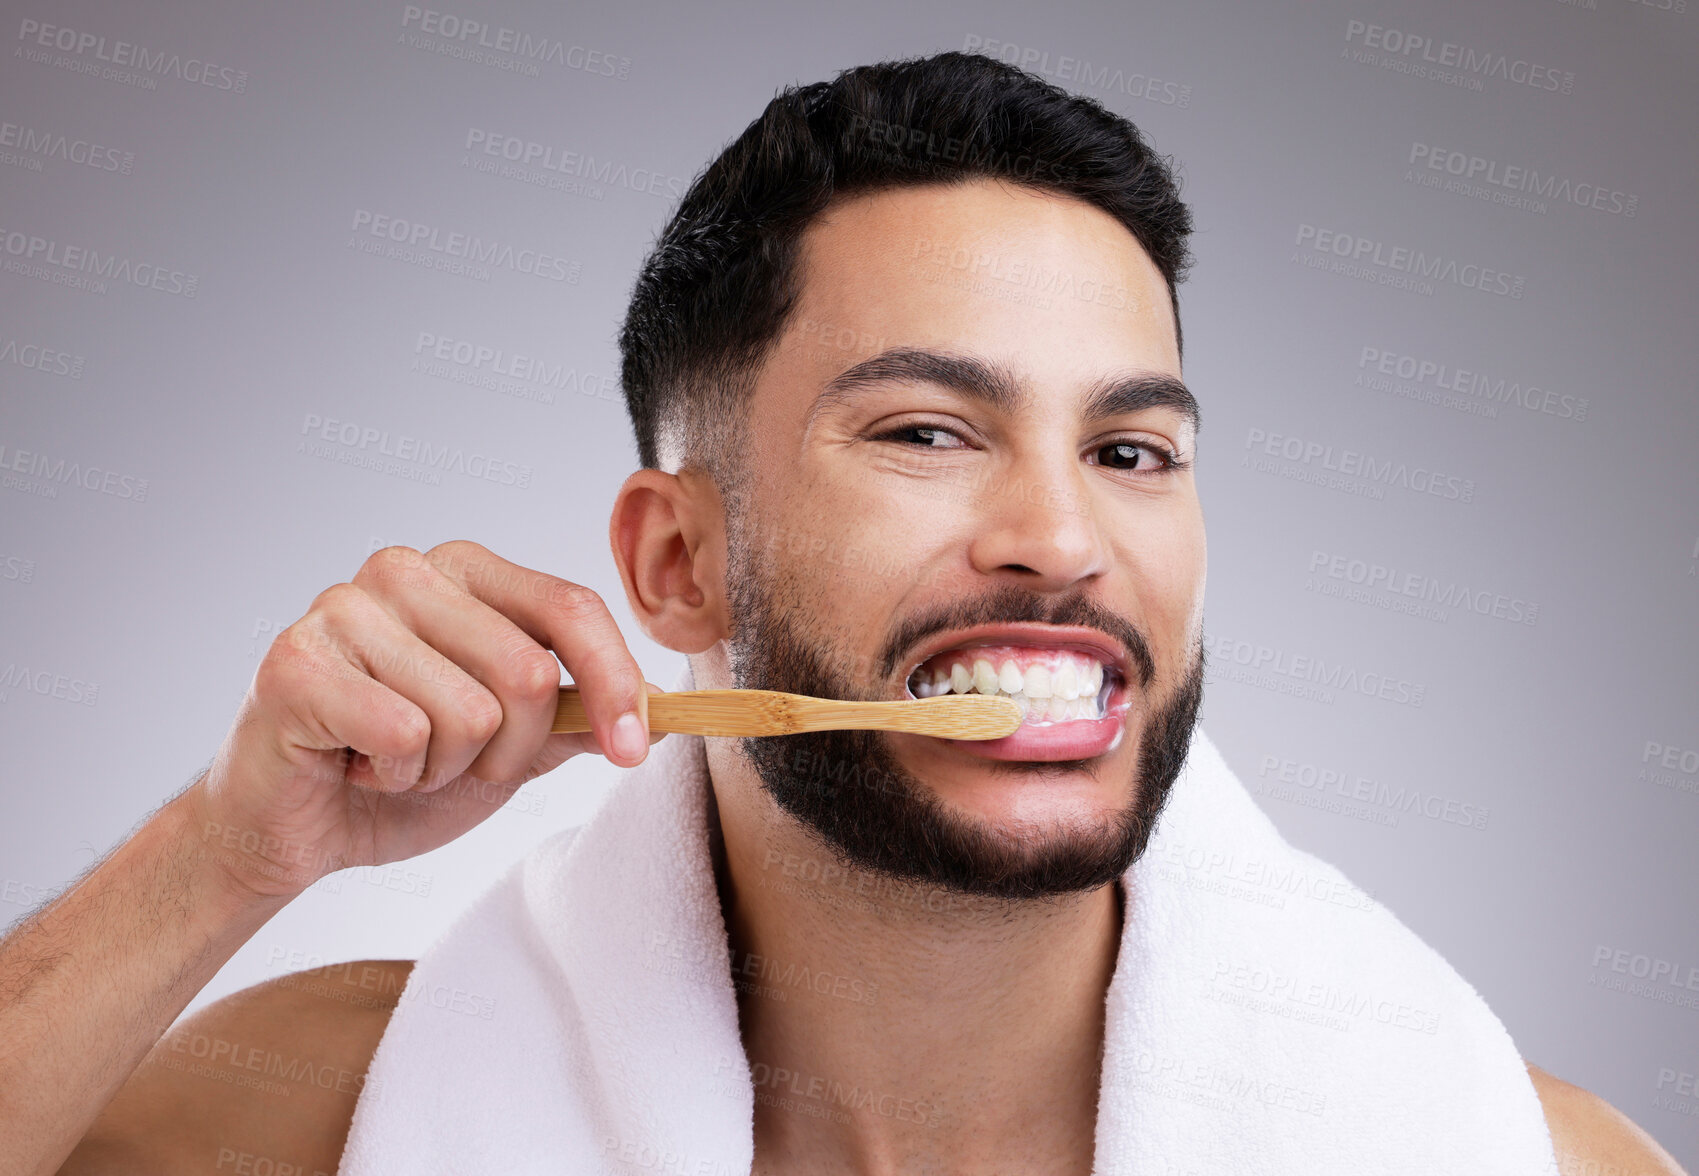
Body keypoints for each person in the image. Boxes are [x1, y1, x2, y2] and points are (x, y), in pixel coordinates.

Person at [4, 51, 1685, 1176]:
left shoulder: (1500, 1154)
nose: (1063, 537)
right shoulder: (318, 1117)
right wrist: (227, 856)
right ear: (678, 567)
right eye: (929, 432)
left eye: (1130, 447)